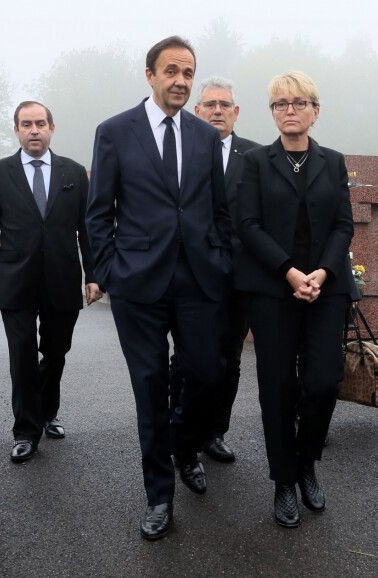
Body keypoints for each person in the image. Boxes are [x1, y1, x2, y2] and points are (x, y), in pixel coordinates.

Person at [86, 36, 231, 540]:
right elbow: (98, 211)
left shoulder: (205, 136)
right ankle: (159, 496)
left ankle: (185, 446)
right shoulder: (114, 132)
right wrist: (109, 270)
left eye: (188, 73)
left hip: (197, 279)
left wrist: (221, 260)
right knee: (149, 389)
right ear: (150, 75)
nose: (181, 81)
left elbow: (219, 211)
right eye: (171, 71)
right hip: (138, 285)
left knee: (207, 375)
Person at [235, 71, 353, 528]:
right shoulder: (255, 162)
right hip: (273, 288)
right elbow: (247, 225)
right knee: (278, 386)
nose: (290, 110)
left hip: (325, 288)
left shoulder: (334, 161)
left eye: (299, 102)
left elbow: (344, 223)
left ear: (315, 111)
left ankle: (306, 462)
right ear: (272, 112)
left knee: (324, 380)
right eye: (281, 103)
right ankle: (284, 481)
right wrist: (289, 271)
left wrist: (322, 271)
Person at [0, 101, 100, 463]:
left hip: (62, 278)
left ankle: (48, 413)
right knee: (21, 354)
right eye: (26, 124)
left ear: (52, 128)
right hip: (15, 279)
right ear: (16, 130)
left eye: (40, 123)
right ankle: (25, 430)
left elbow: (87, 229)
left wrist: (94, 275)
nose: (33, 130)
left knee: (55, 350)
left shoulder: (73, 173)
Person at [169, 76, 259, 462]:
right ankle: (179, 428)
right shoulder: (177, 152)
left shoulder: (256, 157)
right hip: (189, 275)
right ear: (197, 111)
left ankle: (214, 432)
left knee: (230, 359)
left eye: (225, 105)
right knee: (186, 357)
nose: (218, 110)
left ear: (236, 113)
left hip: (239, 277)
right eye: (210, 105)